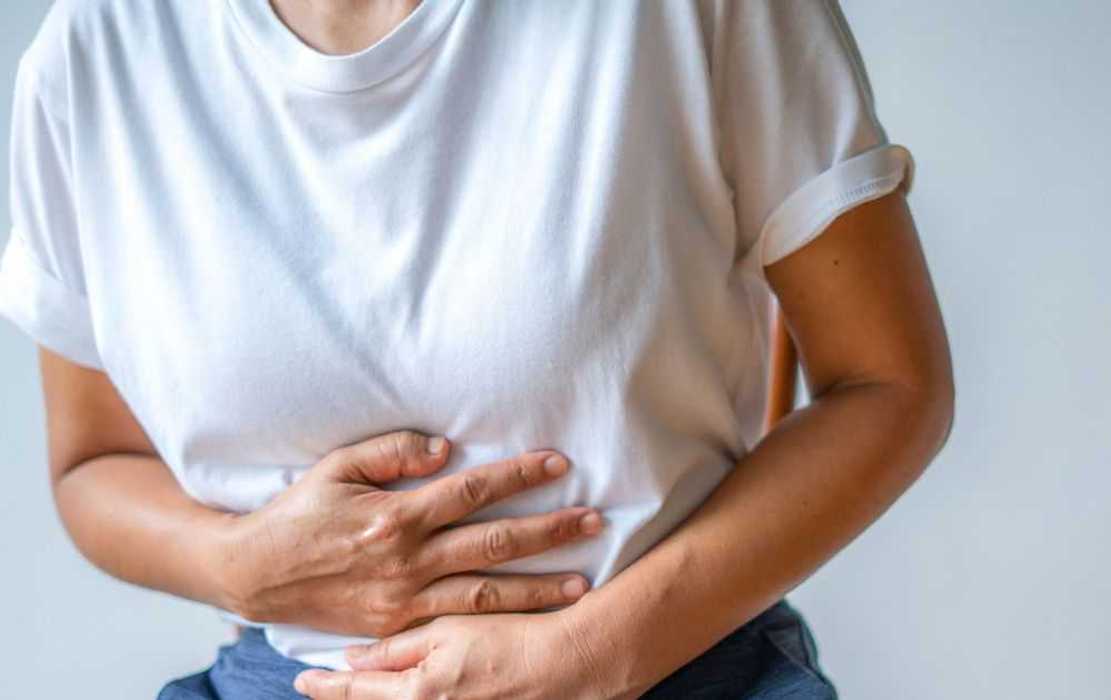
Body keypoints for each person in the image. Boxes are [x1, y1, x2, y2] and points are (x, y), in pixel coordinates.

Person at [0, 0, 955, 697]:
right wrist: (234, 565)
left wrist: (599, 653)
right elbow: (96, 462)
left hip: (674, 674)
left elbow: (887, 383)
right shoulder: (92, 54)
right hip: (286, 681)